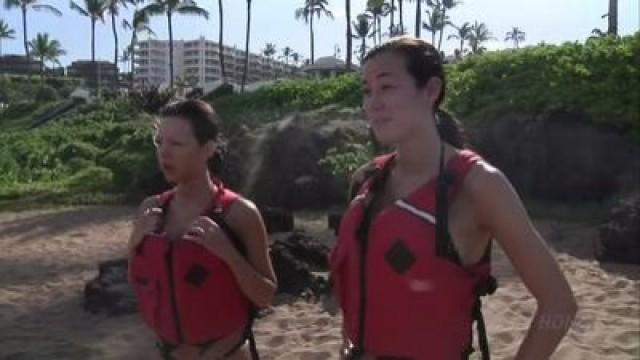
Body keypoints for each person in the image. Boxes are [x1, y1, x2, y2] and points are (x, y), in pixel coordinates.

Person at [329, 36, 577, 359]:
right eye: (366, 90)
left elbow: (558, 304)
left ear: (431, 91)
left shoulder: (478, 186)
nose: (372, 103)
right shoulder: (366, 181)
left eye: (386, 87)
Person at [127, 99, 277, 360]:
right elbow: (138, 280)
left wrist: (228, 253)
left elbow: (265, 295)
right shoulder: (150, 211)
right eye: (159, 142)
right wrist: (134, 241)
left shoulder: (240, 214)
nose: (164, 152)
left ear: (207, 149)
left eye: (176, 144)